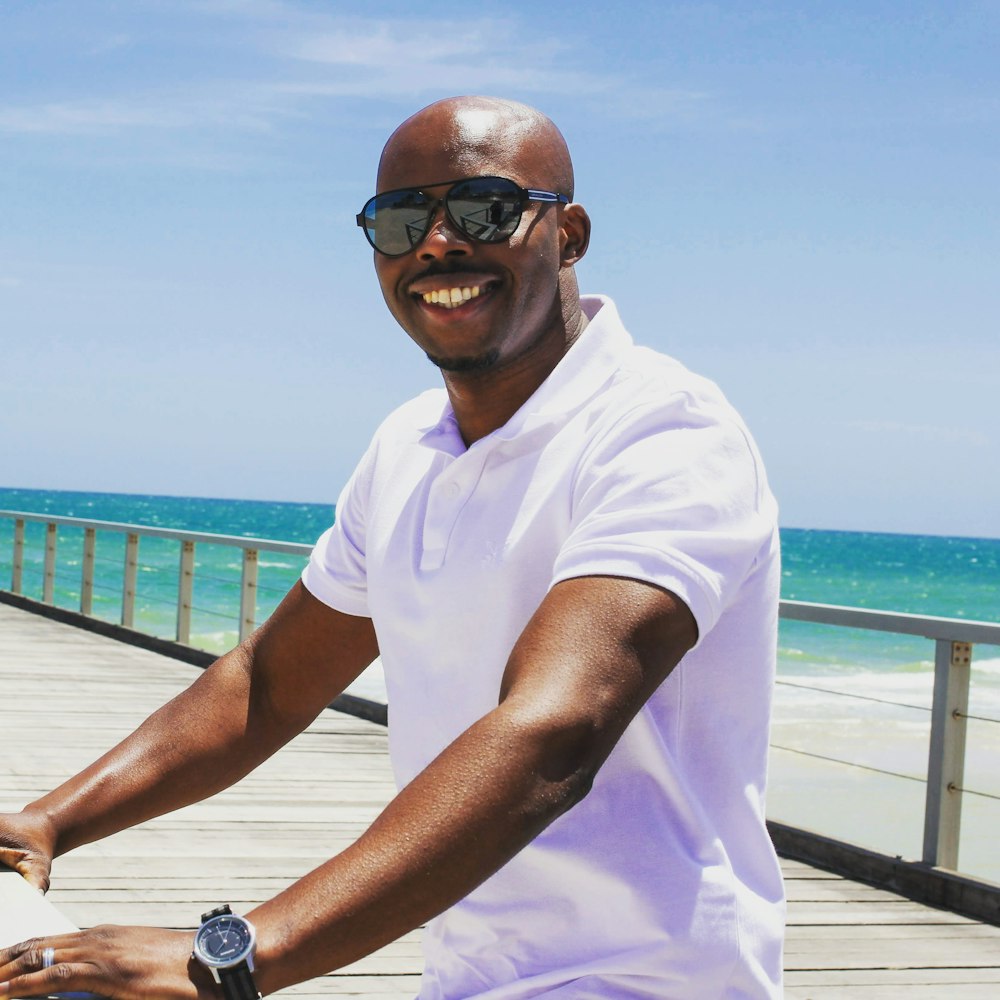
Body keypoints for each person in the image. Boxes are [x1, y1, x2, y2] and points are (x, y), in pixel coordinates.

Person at [0, 96, 784, 999]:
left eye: (486, 209)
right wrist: (48, 820)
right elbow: (266, 685)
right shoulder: (409, 448)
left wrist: (235, 952)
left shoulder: (666, 435)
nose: (439, 245)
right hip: (468, 974)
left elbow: (553, 728)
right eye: (403, 220)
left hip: (649, 979)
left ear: (568, 234)